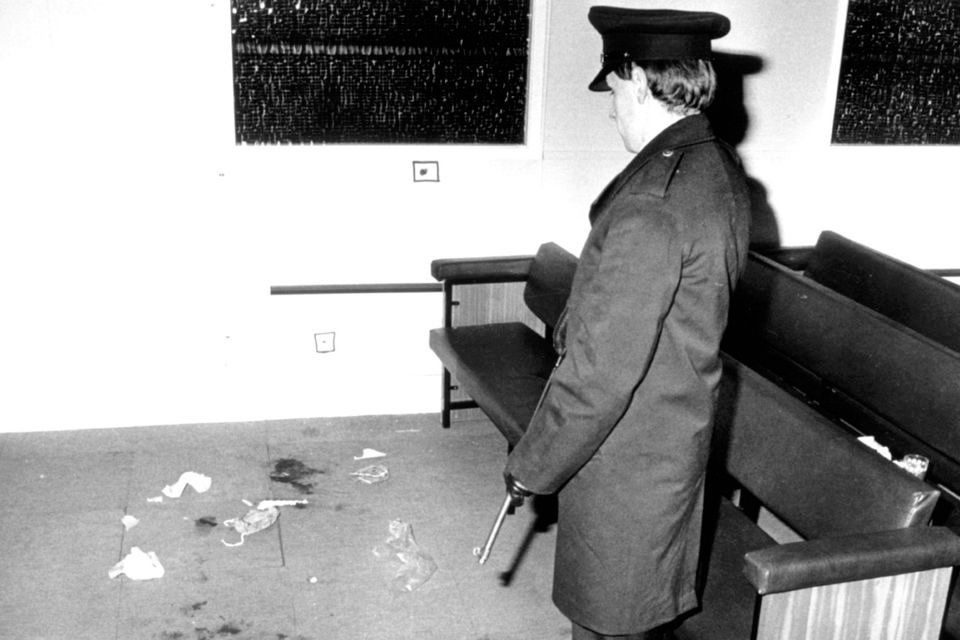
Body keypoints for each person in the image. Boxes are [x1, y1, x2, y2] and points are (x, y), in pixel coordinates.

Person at [502, 7, 752, 640]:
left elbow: (602, 372)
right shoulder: (712, 166)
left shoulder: (653, 204)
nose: (610, 107)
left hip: (628, 449)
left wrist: (534, 462)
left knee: (618, 611)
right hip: (675, 423)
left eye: (612, 89)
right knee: (639, 603)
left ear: (638, 79)